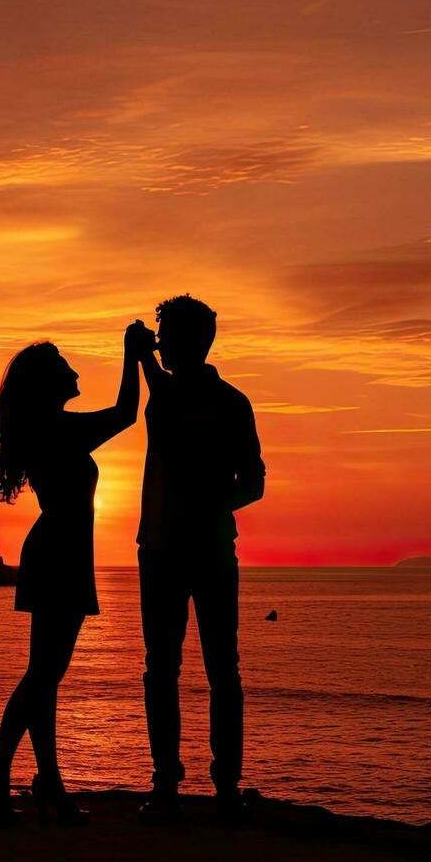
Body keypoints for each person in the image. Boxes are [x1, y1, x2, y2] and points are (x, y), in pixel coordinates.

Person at [0, 321, 156, 825]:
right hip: (59, 554)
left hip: (59, 552)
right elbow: (125, 413)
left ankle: (45, 783)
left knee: (46, 678)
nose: (75, 373)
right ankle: (3, 772)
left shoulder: (49, 429)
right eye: (66, 369)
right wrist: (130, 355)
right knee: (43, 676)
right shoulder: (56, 430)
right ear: (50, 383)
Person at [133, 294, 265, 823]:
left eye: (168, 335)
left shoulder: (226, 403)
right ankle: (183, 784)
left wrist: (209, 503)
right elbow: (165, 400)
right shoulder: (213, 398)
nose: (161, 343)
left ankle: (215, 786)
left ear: (189, 340)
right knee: (175, 669)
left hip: (195, 550)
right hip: (168, 549)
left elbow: (252, 482)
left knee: (210, 669)